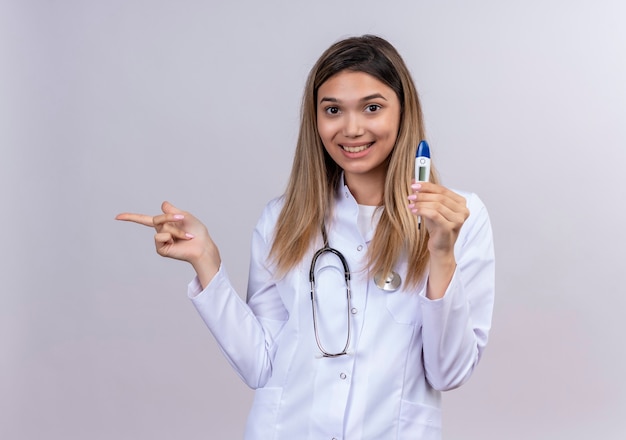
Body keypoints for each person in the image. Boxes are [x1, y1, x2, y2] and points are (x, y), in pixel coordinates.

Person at [116, 34, 495, 440]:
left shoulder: (461, 219)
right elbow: (260, 365)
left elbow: (448, 371)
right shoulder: (282, 220)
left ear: (404, 112)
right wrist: (206, 262)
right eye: (333, 110)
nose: (352, 128)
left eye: (372, 107)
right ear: (315, 119)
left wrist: (441, 252)